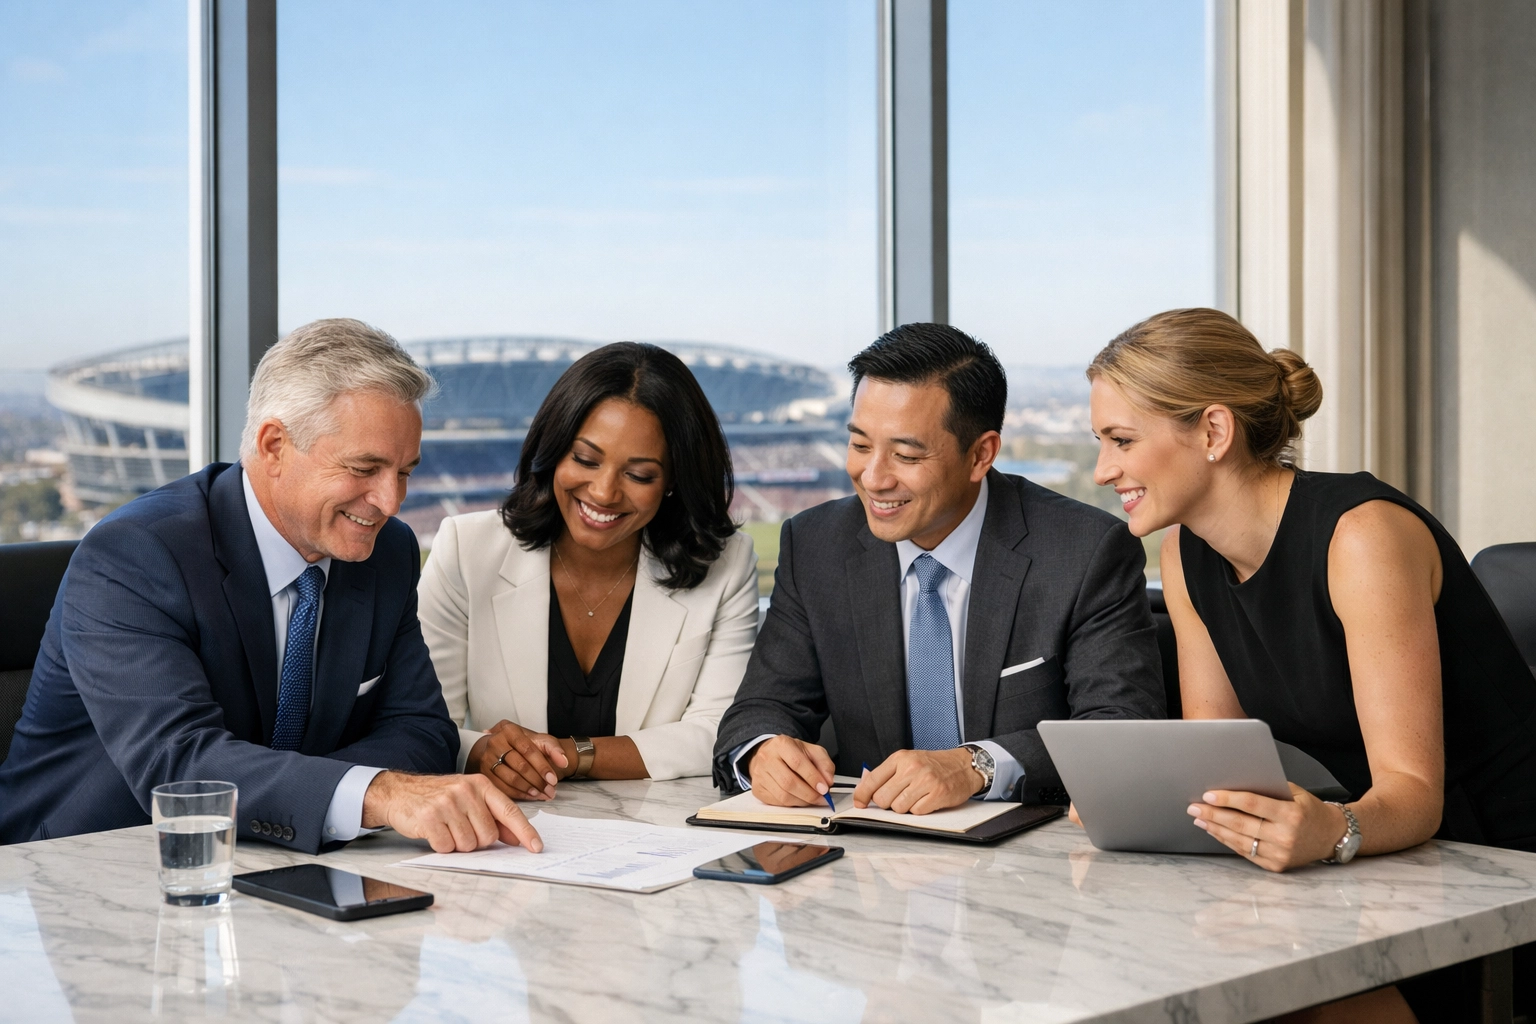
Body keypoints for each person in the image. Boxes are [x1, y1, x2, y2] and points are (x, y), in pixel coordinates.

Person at [1087, 306, 1536, 1022]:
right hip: (1386, 862)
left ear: (1212, 431)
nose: (1103, 468)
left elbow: (1418, 791)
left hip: (1496, 868)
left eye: (1121, 440)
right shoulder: (1185, 554)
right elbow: (1217, 766)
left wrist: (1332, 830)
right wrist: (1138, 803)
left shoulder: (1363, 537)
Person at [0, 319, 542, 857]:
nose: (391, 501)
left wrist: (312, 798)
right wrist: (372, 792)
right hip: (90, 869)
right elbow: (180, 764)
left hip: (279, 861)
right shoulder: (135, 554)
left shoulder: (388, 553)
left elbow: (422, 730)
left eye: (404, 472)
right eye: (365, 467)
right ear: (275, 445)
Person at [712, 323, 1165, 813]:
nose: (874, 477)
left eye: (906, 454)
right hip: (869, 857)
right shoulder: (815, 545)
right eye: (861, 445)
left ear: (981, 454)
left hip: (1033, 861)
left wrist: (977, 765)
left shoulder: (1084, 550)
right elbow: (761, 708)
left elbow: (1120, 727)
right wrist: (761, 751)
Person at [419, 342, 757, 797]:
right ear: (554, 449)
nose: (603, 492)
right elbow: (422, 724)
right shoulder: (466, 548)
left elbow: (718, 731)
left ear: (674, 481)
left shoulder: (728, 564)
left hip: (655, 840)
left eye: (639, 475)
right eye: (585, 459)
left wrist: (568, 755)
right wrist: (483, 753)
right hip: (499, 833)